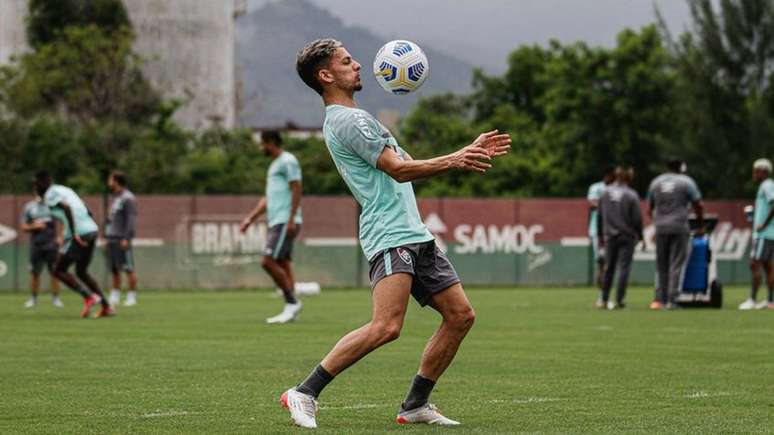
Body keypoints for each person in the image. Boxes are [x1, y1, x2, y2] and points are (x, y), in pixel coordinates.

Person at [281, 38, 511, 429]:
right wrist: (456, 158)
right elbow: (398, 169)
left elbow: (408, 165)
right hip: (390, 234)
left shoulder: (358, 117)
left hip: (412, 232)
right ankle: (304, 392)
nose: (358, 65)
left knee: (460, 316)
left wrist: (461, 151)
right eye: (346, 61)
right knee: (386, 326)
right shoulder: (348, 120)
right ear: (325, 75)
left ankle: (416, 404)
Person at [240, 131, 304, 324]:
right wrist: (250, 219)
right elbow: (268, 198)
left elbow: (297, 188)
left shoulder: (288, 161)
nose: (262, 148)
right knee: (283, 263)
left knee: (267, 261)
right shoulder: (274, 166)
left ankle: (291, 303)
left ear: (271, 142)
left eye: (263, 143)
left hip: (285, 220)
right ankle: (291, 308)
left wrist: (292, 218)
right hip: (276, 220)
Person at [33, 171, 114, 318]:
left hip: (81, 233)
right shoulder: (64, 189)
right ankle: (106, 307)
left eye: (35, 185)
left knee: (58, 269)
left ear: (39, 184)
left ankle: (89, 296)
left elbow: (66, 208)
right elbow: (86, 209)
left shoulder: (50, 194)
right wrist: (84, 226)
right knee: (81, 271)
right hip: (91, 230)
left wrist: (75, 232)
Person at [647, 159, 704, 310]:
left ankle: (659, 300)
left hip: (660, 227)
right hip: (679, 226)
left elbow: (649, 208)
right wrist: (701, 225)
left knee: (661, 265)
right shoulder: (686, 182)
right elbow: (698, 204)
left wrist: (658, 222)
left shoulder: (656, 182)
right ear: (680, 168)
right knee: (676, 264)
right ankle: (672, 299)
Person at [598, 167, 643, 309]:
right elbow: (637, 219)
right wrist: (640, 235)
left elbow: (599, 216)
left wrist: (600, 235)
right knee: (623, 268)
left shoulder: (605, 193)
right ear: (626, 177)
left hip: (609, 235)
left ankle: (604, 300)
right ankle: (619, 301)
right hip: (627, 236)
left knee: (608, 268)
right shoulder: (631, 194)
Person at [739, 158, 774, 310]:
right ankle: (771, 301)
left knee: (755, 264)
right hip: (769, 233)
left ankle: (752, 300)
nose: (754, 174)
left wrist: (763, 225)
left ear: (764, 171)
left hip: (764, 234)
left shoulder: (767, 185)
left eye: (756, 171)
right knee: (768, 267)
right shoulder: (767, 185)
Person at [20, 191, 62, 308]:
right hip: (36, 245)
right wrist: (35, 226)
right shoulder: (29, 207)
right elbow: (23, 226)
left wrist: (61, 237)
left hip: (52, 245)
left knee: (55, 272)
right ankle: (33, 299)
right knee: (35, 273)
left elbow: (64, 220)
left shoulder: (53, 206)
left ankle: (56, 299)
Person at [106, 170, 139, 307]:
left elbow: (131, 219)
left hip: (122, 239)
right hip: (112, 238)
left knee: (128, 268)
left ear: (116, 181)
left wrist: (127, 237)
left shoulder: (128, 198)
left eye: (110, 179)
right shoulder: (115, 198)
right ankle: (115, 295)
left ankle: (132, 296)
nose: (108, 181)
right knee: (114, 269)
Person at [588, 165, 616, 303]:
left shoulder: (617, 189)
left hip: (613, 230)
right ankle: (602, 296)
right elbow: (592, 204)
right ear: (608, 175)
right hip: (597, 231)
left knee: (609, 264)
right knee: (601, 263)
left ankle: (606, 296)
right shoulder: (596, 188)